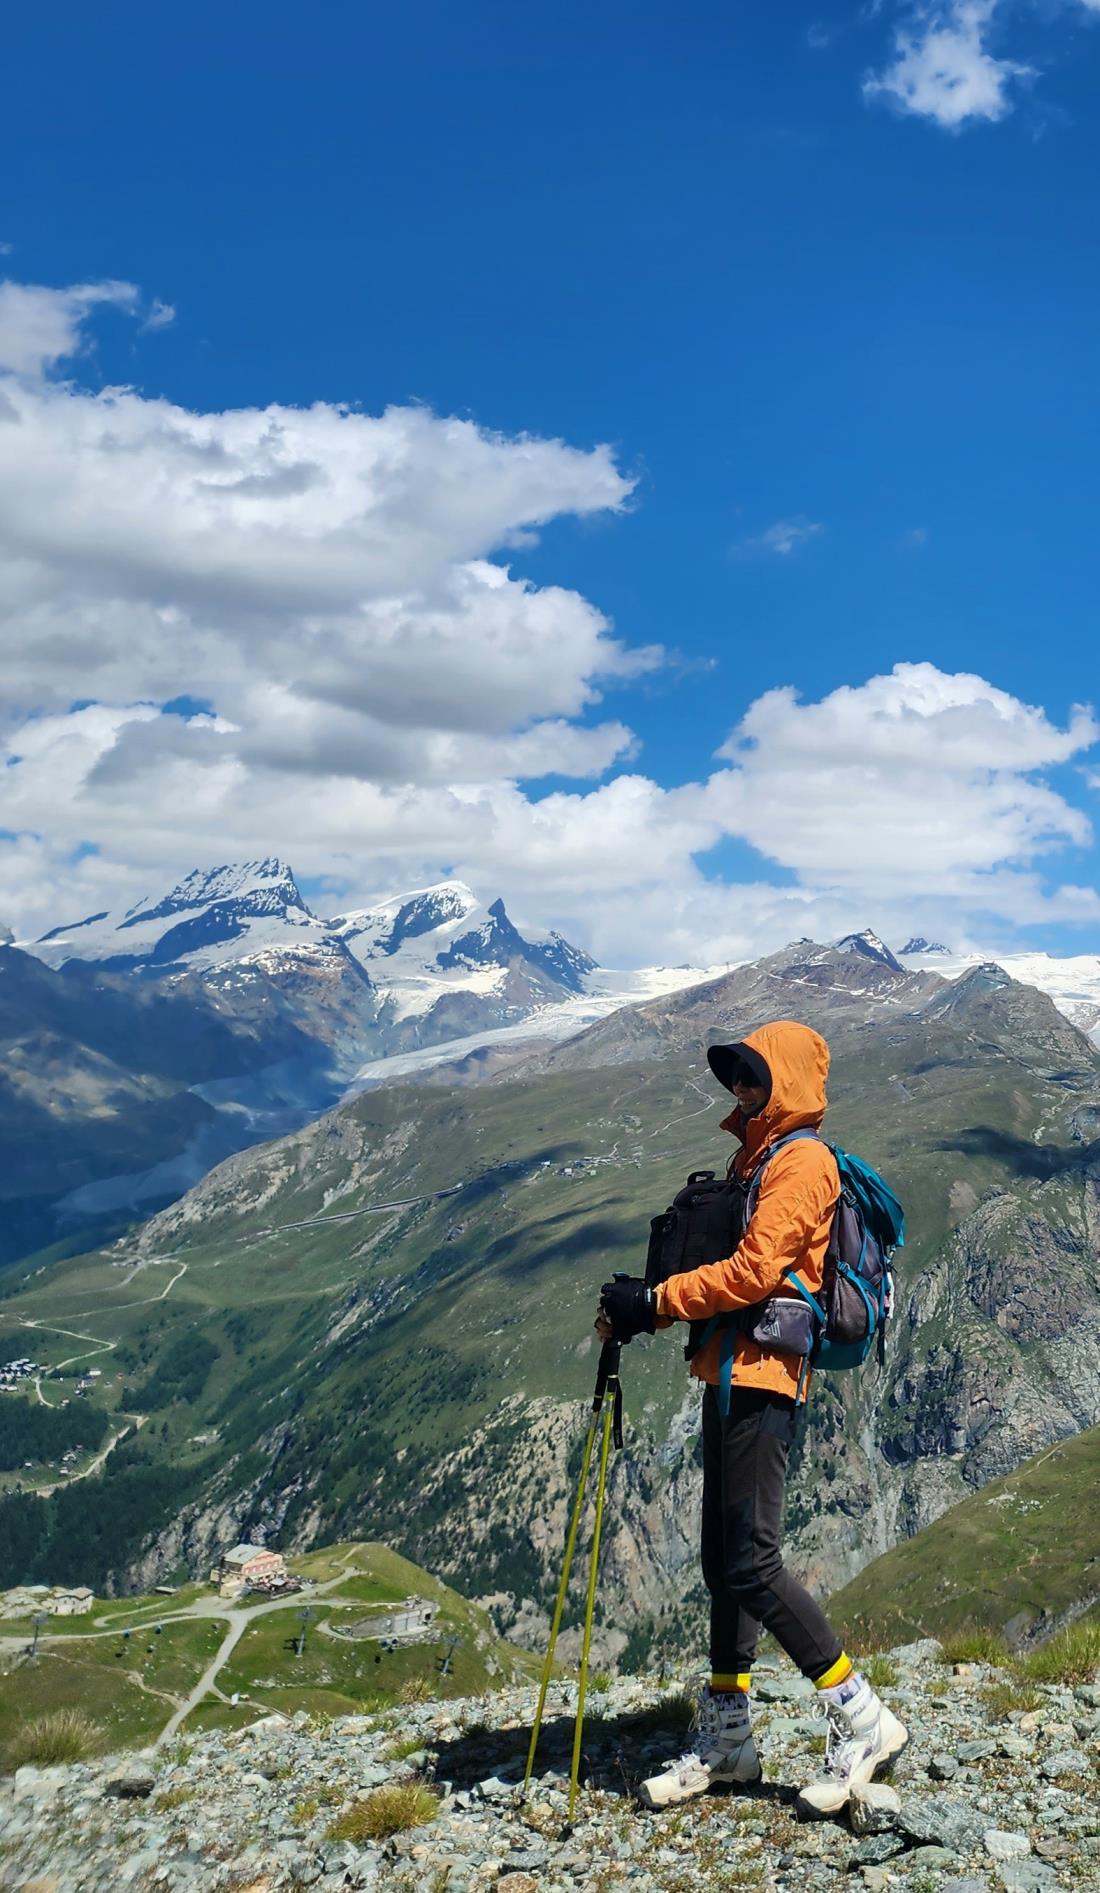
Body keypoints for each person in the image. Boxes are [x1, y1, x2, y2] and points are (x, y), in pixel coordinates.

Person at [597, 1017, 907, 1815]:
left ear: (787, 1081)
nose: (740, 1087)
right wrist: (648, 1303)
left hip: (765, 1378)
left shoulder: (801, 1161)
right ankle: (729, 1736)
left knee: (753, 1561)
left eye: (755, 1075)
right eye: (735, 1074)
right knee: (722, 1560)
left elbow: (753, 1270)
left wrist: (656, 1301)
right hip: (729, 1370)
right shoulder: (758, 1156)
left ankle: (862, 1716)